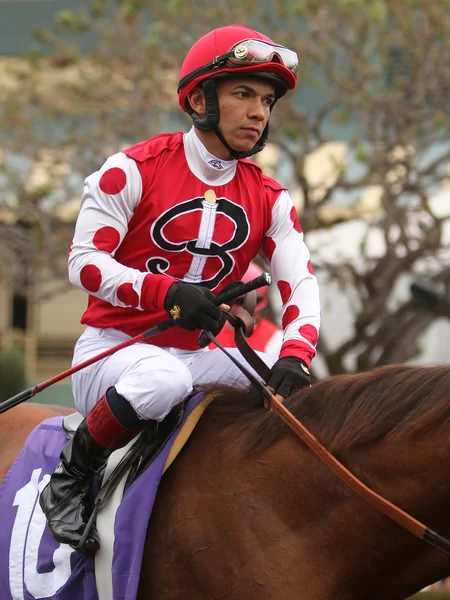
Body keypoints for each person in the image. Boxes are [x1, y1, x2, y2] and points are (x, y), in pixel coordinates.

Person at [39, 23, 321, 555]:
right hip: (112, 355)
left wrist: (296, 355)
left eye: (266, 100)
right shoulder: (130, 170)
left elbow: (300, 281)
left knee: (296, 395)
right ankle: (72, 475)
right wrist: (165, 294)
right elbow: (84, 263)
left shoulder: (271, 196)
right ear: (197, 99)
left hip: (201, 355)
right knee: (163, 377)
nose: (259, 112)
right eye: (243, 94)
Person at [209, 261, 283, 364]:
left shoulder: (276, 339)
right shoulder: (209, 332)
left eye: (255, 301)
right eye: (240, 301)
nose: (248, 309)